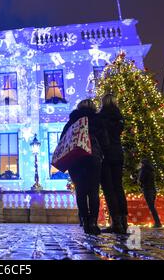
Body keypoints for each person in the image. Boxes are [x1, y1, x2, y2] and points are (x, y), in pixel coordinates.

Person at [60, 99, 109, 235]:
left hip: (75, 159)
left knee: (80, 192)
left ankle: (85, 221)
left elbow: (63, 140)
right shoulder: (96, 119)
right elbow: (105, 140)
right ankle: (93, 222)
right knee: (93, 191)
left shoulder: (72, 121)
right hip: (93, 157)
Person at [99, 94, 128, 234]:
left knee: (109, 189)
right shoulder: (119, 117)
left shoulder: (101, 117)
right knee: (119, 187)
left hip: (106, 154)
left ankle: (116, 222)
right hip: (118, 153)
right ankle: (124, 221)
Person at [138, 158, 162, 228]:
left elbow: (141, 180)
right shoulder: (151, 171)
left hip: (147, 190)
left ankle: (158, 223)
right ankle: (157, 222)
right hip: (153, 190)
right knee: (152, 206)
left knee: (151, 207)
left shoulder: (143, 170)